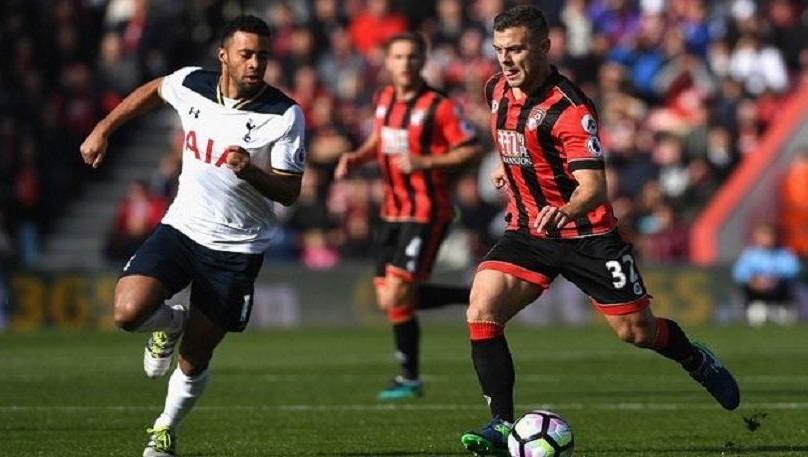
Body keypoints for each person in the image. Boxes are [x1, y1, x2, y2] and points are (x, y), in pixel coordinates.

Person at [458, 6, 740, 456]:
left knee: (636, 332)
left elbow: (593, 188)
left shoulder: (570, 109)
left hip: (587, 234)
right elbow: (517, 142)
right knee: (482, 307)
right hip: (529, 230)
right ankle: (501, 424)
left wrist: (565, 210)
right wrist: (508, 170)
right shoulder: (496, 89)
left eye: (516, 50)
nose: (505, 60)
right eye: (499, 50)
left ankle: (693, 357)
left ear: (544, 47)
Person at [79, 15, 305, 457]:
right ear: (224, 56)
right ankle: (170, 322)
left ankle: (165, 428)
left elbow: (290, 191)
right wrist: (103, 128)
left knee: (195, 355)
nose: (255, 63)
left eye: (262, 55)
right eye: (246, 54)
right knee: (127, 312)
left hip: (237, 248)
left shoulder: (284, 114)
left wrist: (251, 171)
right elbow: (153, 90)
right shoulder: (191, 84)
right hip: (181, 227)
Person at [335, 32, 483, 400]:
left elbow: (470, 149)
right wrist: (357, 157)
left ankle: (409, 378)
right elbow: (380, 140)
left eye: (413, 57)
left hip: (426, 212)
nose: (405, 63)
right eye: (399, 57)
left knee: (398, 293)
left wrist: (425, 161)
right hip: (391, 211)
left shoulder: (439, 106)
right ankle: (471, 294)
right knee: (389, 299)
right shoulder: (384, 98)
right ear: (387, 62)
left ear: (423, 61)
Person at [732, 222, 801, 326]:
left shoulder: (784, 253)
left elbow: (793, 270)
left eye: (769, 235)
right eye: (763, 235)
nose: (766, 239)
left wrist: (773, 279)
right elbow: (739, 274)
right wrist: (754, 281)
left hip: (778, 290)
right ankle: (756, 309)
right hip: (755, 291)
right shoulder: (749, 254)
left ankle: (780, 310)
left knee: (785, 286)